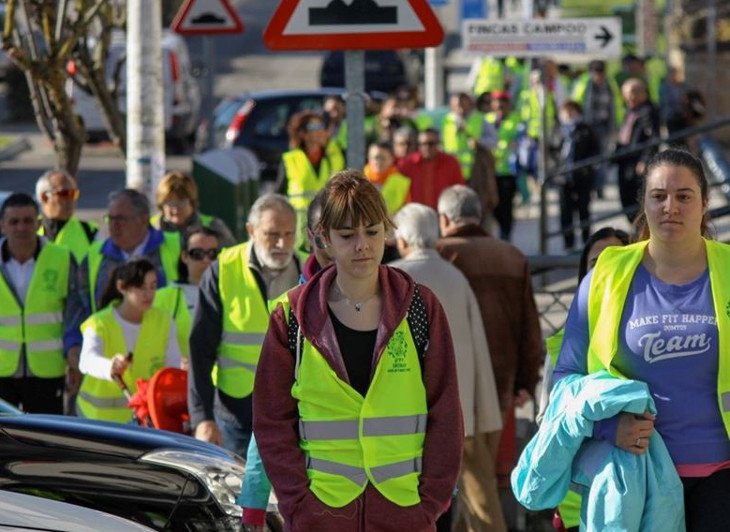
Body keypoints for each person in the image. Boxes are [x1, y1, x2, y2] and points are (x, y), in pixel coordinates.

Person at [253, 170, 463, 531]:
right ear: (325, 240)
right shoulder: (290, 316)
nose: (362, 245)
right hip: (321, 517)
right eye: (347, 235)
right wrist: (298, 505)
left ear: (387, 233)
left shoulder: (420, 308)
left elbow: (446, 414)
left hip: (404, 512)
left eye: (372, 231)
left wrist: (429, 505)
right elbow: (272, 422)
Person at [554, 148, 730, 531]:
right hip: (634, 478)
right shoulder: (605, 277)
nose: (671, 207)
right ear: (643, 205)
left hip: (722, 477)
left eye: (684, 196)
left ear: (705, 204)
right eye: (659, 196)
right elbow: (566, 378)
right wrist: (608, 428)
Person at [391, 203, 505, 532]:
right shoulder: (456, 278)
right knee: (475, 496)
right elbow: (477, 347)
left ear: (402, 239)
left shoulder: (394, 280)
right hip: (460, 409)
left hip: (403, 412)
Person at [436, 185, 543, 493]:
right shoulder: (511, 254)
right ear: (479, 214)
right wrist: (525, 381)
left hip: (454, 385)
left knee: (465, 481)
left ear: (444, 218)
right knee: (489, 478)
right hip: (503, 383)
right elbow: (530, 327)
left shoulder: (440, 254)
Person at [238, 191, 334, 531]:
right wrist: (253, 503)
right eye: (328, 235)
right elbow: (270, 414)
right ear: (312, 237)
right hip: (311, 498)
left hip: (384, 501)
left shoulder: (393, 303)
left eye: (351, 232)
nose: (338, 245)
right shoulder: (289, 310)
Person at [188, 194, 301, 457]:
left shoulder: (308, 270)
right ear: (251, 231)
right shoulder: (223, 269)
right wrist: (201, 417)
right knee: (239, 493)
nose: (282, 244)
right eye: (272, 234)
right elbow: (200, 348)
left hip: (294, 410)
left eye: (289, 234)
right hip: (237, 414)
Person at [537, 226, 630, 532]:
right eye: (595, 262)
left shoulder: (651, 338)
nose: (605, 268)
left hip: (641, 501)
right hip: (580, 507)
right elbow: (549, 426)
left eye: (616, 258)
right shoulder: (560, 344)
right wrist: (608, 427)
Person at [0, 193, 86, 414]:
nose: (21, 227)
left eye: (28, 221)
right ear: (3, 226)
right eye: (14, 221)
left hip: (48, 370)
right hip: (2, 370)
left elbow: (75, 314)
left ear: (38, 223)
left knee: (44, 443)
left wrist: (74, 357)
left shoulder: (62, 258)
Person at [76, 257, 182, 422]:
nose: (149, 294)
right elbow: (86, 360)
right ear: (121, 287)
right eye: (140, 287)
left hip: (143, 420)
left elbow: (172, 365)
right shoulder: (99, 322)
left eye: (153, 286)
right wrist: (109, 367)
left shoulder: (164, 320)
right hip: (98, 420)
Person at [82, 189, 181, 312]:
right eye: (110, 218)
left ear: (144, 219)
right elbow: (80, 308)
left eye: (120, 219)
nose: (114, 225)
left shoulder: (175, 247)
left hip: (164, 329)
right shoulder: (95, 254)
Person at [277, 110, 345, 252]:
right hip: (299, 230)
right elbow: (279, 194)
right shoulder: (290, 159)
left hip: (328, 225)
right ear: (302, 133)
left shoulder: (333, 156)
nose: (320, 131)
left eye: (321, 126)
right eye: (314, 128)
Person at [154, 226, 221, 361]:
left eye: (212, 254)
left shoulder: (232, 293)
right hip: (182, 377)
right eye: (197, 254)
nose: (206, 260)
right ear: (184, 256)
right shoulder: (164, 297)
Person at [571, 60, 623, 198]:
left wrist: (616, 126)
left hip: (604, 127)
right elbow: (576, 103)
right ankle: (589, 185)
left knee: (602, 158)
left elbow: (615, 105)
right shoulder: (584, 84)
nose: (599, 76)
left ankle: (599, 186)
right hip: (586, 128)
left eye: (601, 72)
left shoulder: (610, 84)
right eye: (596, 72)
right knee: (588, 158)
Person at [557, 100, 601, 251]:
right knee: (565, 211)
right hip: (563, 178)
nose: (568, 114)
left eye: (571, 110)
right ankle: (568, 244)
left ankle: (585, 241)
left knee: (583, 209)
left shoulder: (585, 129)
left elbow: (595, 151)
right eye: (565, 111)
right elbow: (551, 151)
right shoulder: (558, 130)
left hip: (582, 176)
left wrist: (587, 168)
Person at [615, 78, 660, 222]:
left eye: (632, 94)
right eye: (626, 95)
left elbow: (653, 138)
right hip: (625, 159)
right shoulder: (631, 110)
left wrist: (644, 160)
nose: (629, 98)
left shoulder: (648, 110)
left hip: (637, 162)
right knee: (625, 197)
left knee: (635, 198)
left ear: (642, 93)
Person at [151, 171, 236, 247]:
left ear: (192, 202)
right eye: (171, 204)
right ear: (162, 204)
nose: (175, 210)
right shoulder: (150, 229)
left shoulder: (213, 227)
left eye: (181, 203)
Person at [35, 170, 98, 262]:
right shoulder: (27, 227)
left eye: (74, 194)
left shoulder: (90, 231)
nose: (71, 199)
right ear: (44, 197)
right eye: (65, 193)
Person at [397, 128, 465, 210]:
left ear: (438, 144)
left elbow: (459, 190)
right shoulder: (406, 164)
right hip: (415, 214)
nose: (427, 147)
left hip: (442, 214)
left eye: (431, 144)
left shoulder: (451, 162)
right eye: (422, 144)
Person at [486, 91, 522, 240]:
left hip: (507, 171)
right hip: (490, 170)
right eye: (496, 103)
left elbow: (519, 141)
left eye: (502, 103)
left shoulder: (516, 120)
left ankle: (505, 234)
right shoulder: (486, 120)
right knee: (492, 206)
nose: (499, 106)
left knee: (506, 206)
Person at [363, 141, 411, 214]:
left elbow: (408, 212)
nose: (378, 161)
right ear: (369, 158)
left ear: (392, 159)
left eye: (382, 158)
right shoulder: (360, 180)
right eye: (376, 157)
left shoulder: (401, 183)